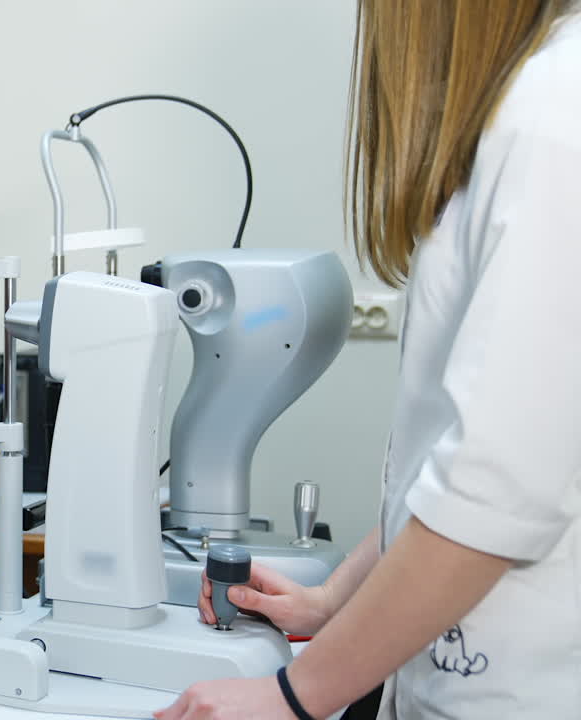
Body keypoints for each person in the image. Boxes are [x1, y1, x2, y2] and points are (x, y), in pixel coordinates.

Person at [158, 1, 581, 718]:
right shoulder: (530, 106)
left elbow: (497, 493)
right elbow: (450, 465)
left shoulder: (555, 115)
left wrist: (294, 696)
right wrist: (328, 603)